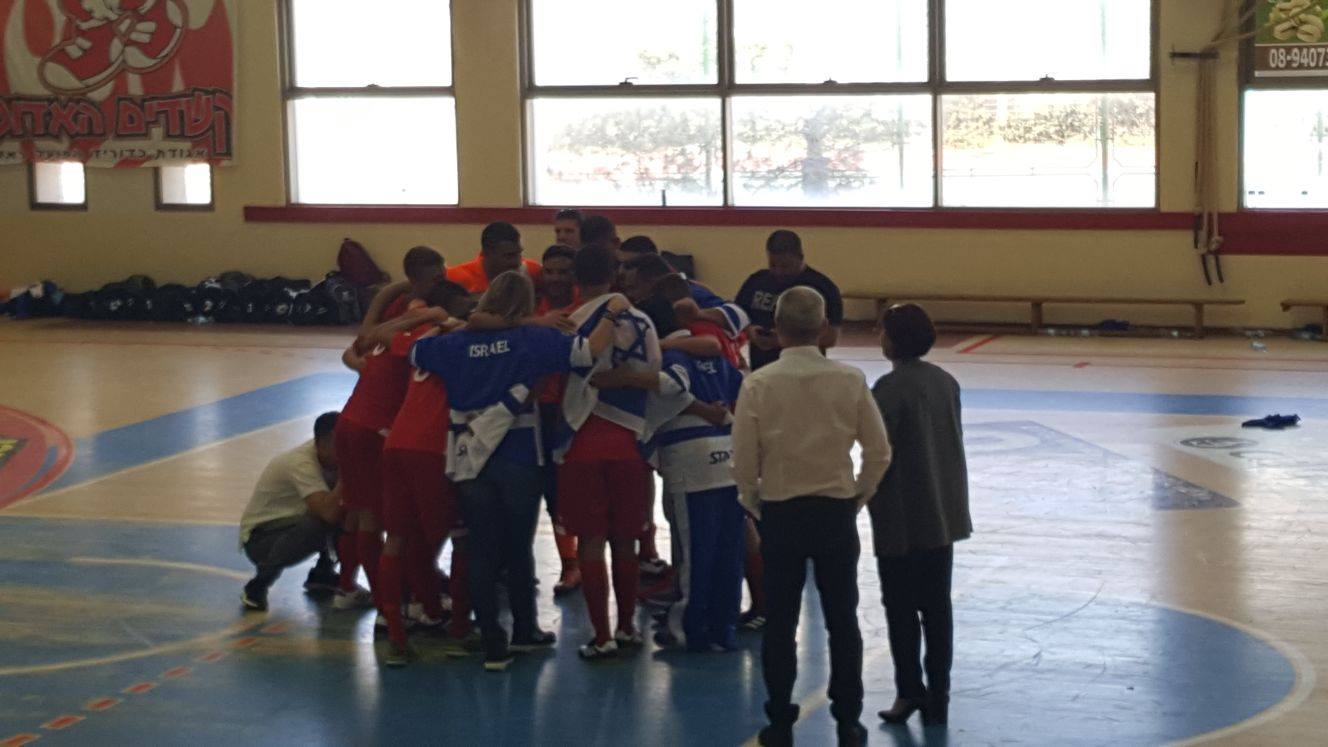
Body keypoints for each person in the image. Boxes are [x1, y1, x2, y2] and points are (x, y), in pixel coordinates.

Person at [410, 271, 625, 672]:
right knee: (517, 545)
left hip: (468, 455)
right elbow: (589, 352)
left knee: (480, 548)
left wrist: (465, 325)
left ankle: (492, 643)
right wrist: (613, 311)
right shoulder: (534, 338)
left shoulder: (454, 343)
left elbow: (417, 352)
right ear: (525, 306)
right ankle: (525, 630)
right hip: (520, 452)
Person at [732, 286, 892, 747]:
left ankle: (780, 720)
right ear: (824, 329)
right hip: (835, 511)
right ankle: (849, 720)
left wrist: (756, 503)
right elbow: (879, 451)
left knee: (780, 621)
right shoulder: (850, 380)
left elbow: (744, 459)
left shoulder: (759, 384)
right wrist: (856, 497)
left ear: (776, 328)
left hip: (781, 511)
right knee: (842, 619)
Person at [594, 298, 746, 653]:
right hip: (728, 456)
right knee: (728, 549)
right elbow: (740, 387)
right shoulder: (713, 356)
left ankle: (688, 628)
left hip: (691, 460)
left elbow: (672, 384)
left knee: (695, 551)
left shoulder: (671, 357)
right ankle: (724, 626)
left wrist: (625, 378)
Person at [553, 243, 661, 660]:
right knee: (626, 541)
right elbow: (653, 372)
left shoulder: (569, 321)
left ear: (574, 278)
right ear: (615, 275)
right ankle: (627, 626)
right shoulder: (642, 320)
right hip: (629, 442)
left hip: (581, 441)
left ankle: (601, 636)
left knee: (591, 543)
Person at [870, 304, 972, 728]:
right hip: (942, 511)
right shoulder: (946, 381)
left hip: (900, 514)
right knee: (937, 608)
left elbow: (879, 452)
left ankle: (909, 689)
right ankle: (939, 695)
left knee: (899, 608)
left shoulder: (888, 389)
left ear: (893, 340)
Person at [372, 284, 477, 666]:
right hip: (436, 448)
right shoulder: (469, 342)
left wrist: (427, 319)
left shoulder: (423, 339)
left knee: (399, 538)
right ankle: (460, 630)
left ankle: (397, 635)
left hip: (398, 442)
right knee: (462, 537)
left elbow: (379, 339)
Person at [334, 306, 445, 612]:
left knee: (357, 510)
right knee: (389, 519)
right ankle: (396, 605)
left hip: (349, 421)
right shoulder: (423, 338)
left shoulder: (389, 335)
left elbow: (355, 348)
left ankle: (347, 586)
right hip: (376, 429)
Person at [239, 412, 344, 612]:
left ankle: (323, 573)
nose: (349, 450)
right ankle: (257, 586)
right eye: (342, 444)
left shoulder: (329, 457)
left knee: (347, 512)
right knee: (322, 520)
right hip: (261, 540)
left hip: (288, 527)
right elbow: (328, 513)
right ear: (323, 443)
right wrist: (349, 475)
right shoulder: (301, 463)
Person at [536, 245, 583, 595]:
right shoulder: (530, 308)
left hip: (574, 409)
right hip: (533, 409)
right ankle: (568, 563)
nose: (555, 278)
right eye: (549, 271)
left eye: (562, 272)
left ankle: (576, 563)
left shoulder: (587, 308)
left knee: (568, 490)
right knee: (540, 487)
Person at [735, 230, 843, 371]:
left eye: (785, 266)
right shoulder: (756, 281)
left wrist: (783, 340)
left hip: (806, 371)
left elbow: (831, 337)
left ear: (800, 258)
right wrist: (751, 332)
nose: (779, 271)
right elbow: (736, 319)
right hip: (763, 370)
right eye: (773, 265)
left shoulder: (823, 287)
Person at [343, 246, 449, 371]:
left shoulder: (446, 302)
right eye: (437, 280)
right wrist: (357, 363)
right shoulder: (397, 304)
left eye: (444, 278)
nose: (443, 285)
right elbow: (360, 345)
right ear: (414, 281)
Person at [447, 221, 543, 296]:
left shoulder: (532, 271)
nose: (517, 261)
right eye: (509, 256)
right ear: (486, 253)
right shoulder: (455, 278)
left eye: (519, 254)